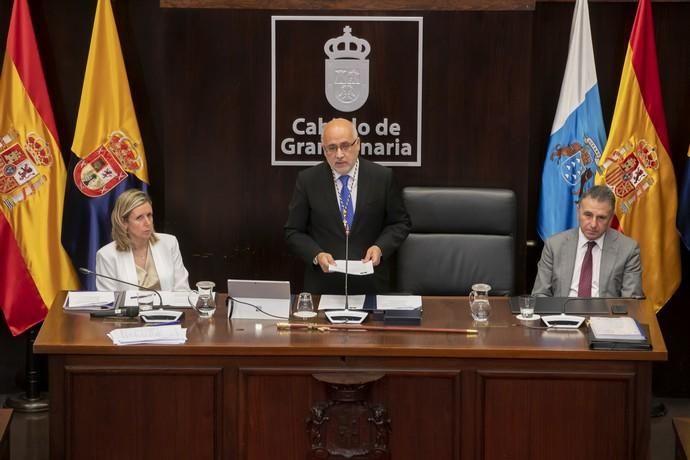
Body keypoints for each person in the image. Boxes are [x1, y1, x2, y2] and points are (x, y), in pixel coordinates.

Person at [284, 118, 411, 294]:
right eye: (332, 148)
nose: (339, 154)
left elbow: (400, 223)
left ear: (357, 144)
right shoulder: (308, 181)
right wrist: (316, 254)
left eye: (345, 146)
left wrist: (380, 247)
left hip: (371, 284)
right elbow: (293, 231)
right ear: (324, 150)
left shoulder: (382, 177)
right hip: (324, 286)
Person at [532, 185, 643, 298]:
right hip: (563, 314)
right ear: (578, 212)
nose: (593, 224)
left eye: (601, 218)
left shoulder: (628, 249)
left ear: (610, 219)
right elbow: (540, 294)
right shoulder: (554, 245)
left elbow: (631, 302)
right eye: (588, 215)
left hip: (606, 314)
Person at [95, 189, 190, 291]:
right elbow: (109, 301)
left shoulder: (169, 243)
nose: (148, 222)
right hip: (128, 307)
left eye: (149, 215)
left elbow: (182, 290)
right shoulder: (106, 255)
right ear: (124, 222)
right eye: (139, 218)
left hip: (167, 307)